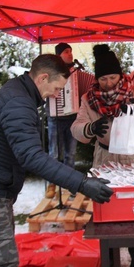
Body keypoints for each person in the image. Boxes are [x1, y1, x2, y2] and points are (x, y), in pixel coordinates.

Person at [0, 54, 113, 267]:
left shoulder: (21, 93)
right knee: (5, 259)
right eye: (57, 88)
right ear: (42, 78)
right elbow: (32, 157)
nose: (58, 94)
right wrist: (82, 183)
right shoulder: (18, 103)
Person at [71, 44, 134, 267]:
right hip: (106, 158)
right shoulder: (88, 100)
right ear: (97, 79)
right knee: (106, 211)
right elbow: (76, 129)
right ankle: (109, 257)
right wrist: (90, 128)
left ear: (120, 76)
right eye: (103, 79)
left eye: (113, 77)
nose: (109, 83)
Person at [45, 42, 95, 197]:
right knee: (54, 153)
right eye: (66, 51)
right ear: (59, 54)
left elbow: (87, 87)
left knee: (70, 153)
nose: (70, 54)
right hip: (55, 117)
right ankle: (52, 184)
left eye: (70, 51)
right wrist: (50, 92)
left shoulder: (76, 73)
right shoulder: (50, 71)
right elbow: (41, 89)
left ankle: (69, 183)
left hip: (72, 118)